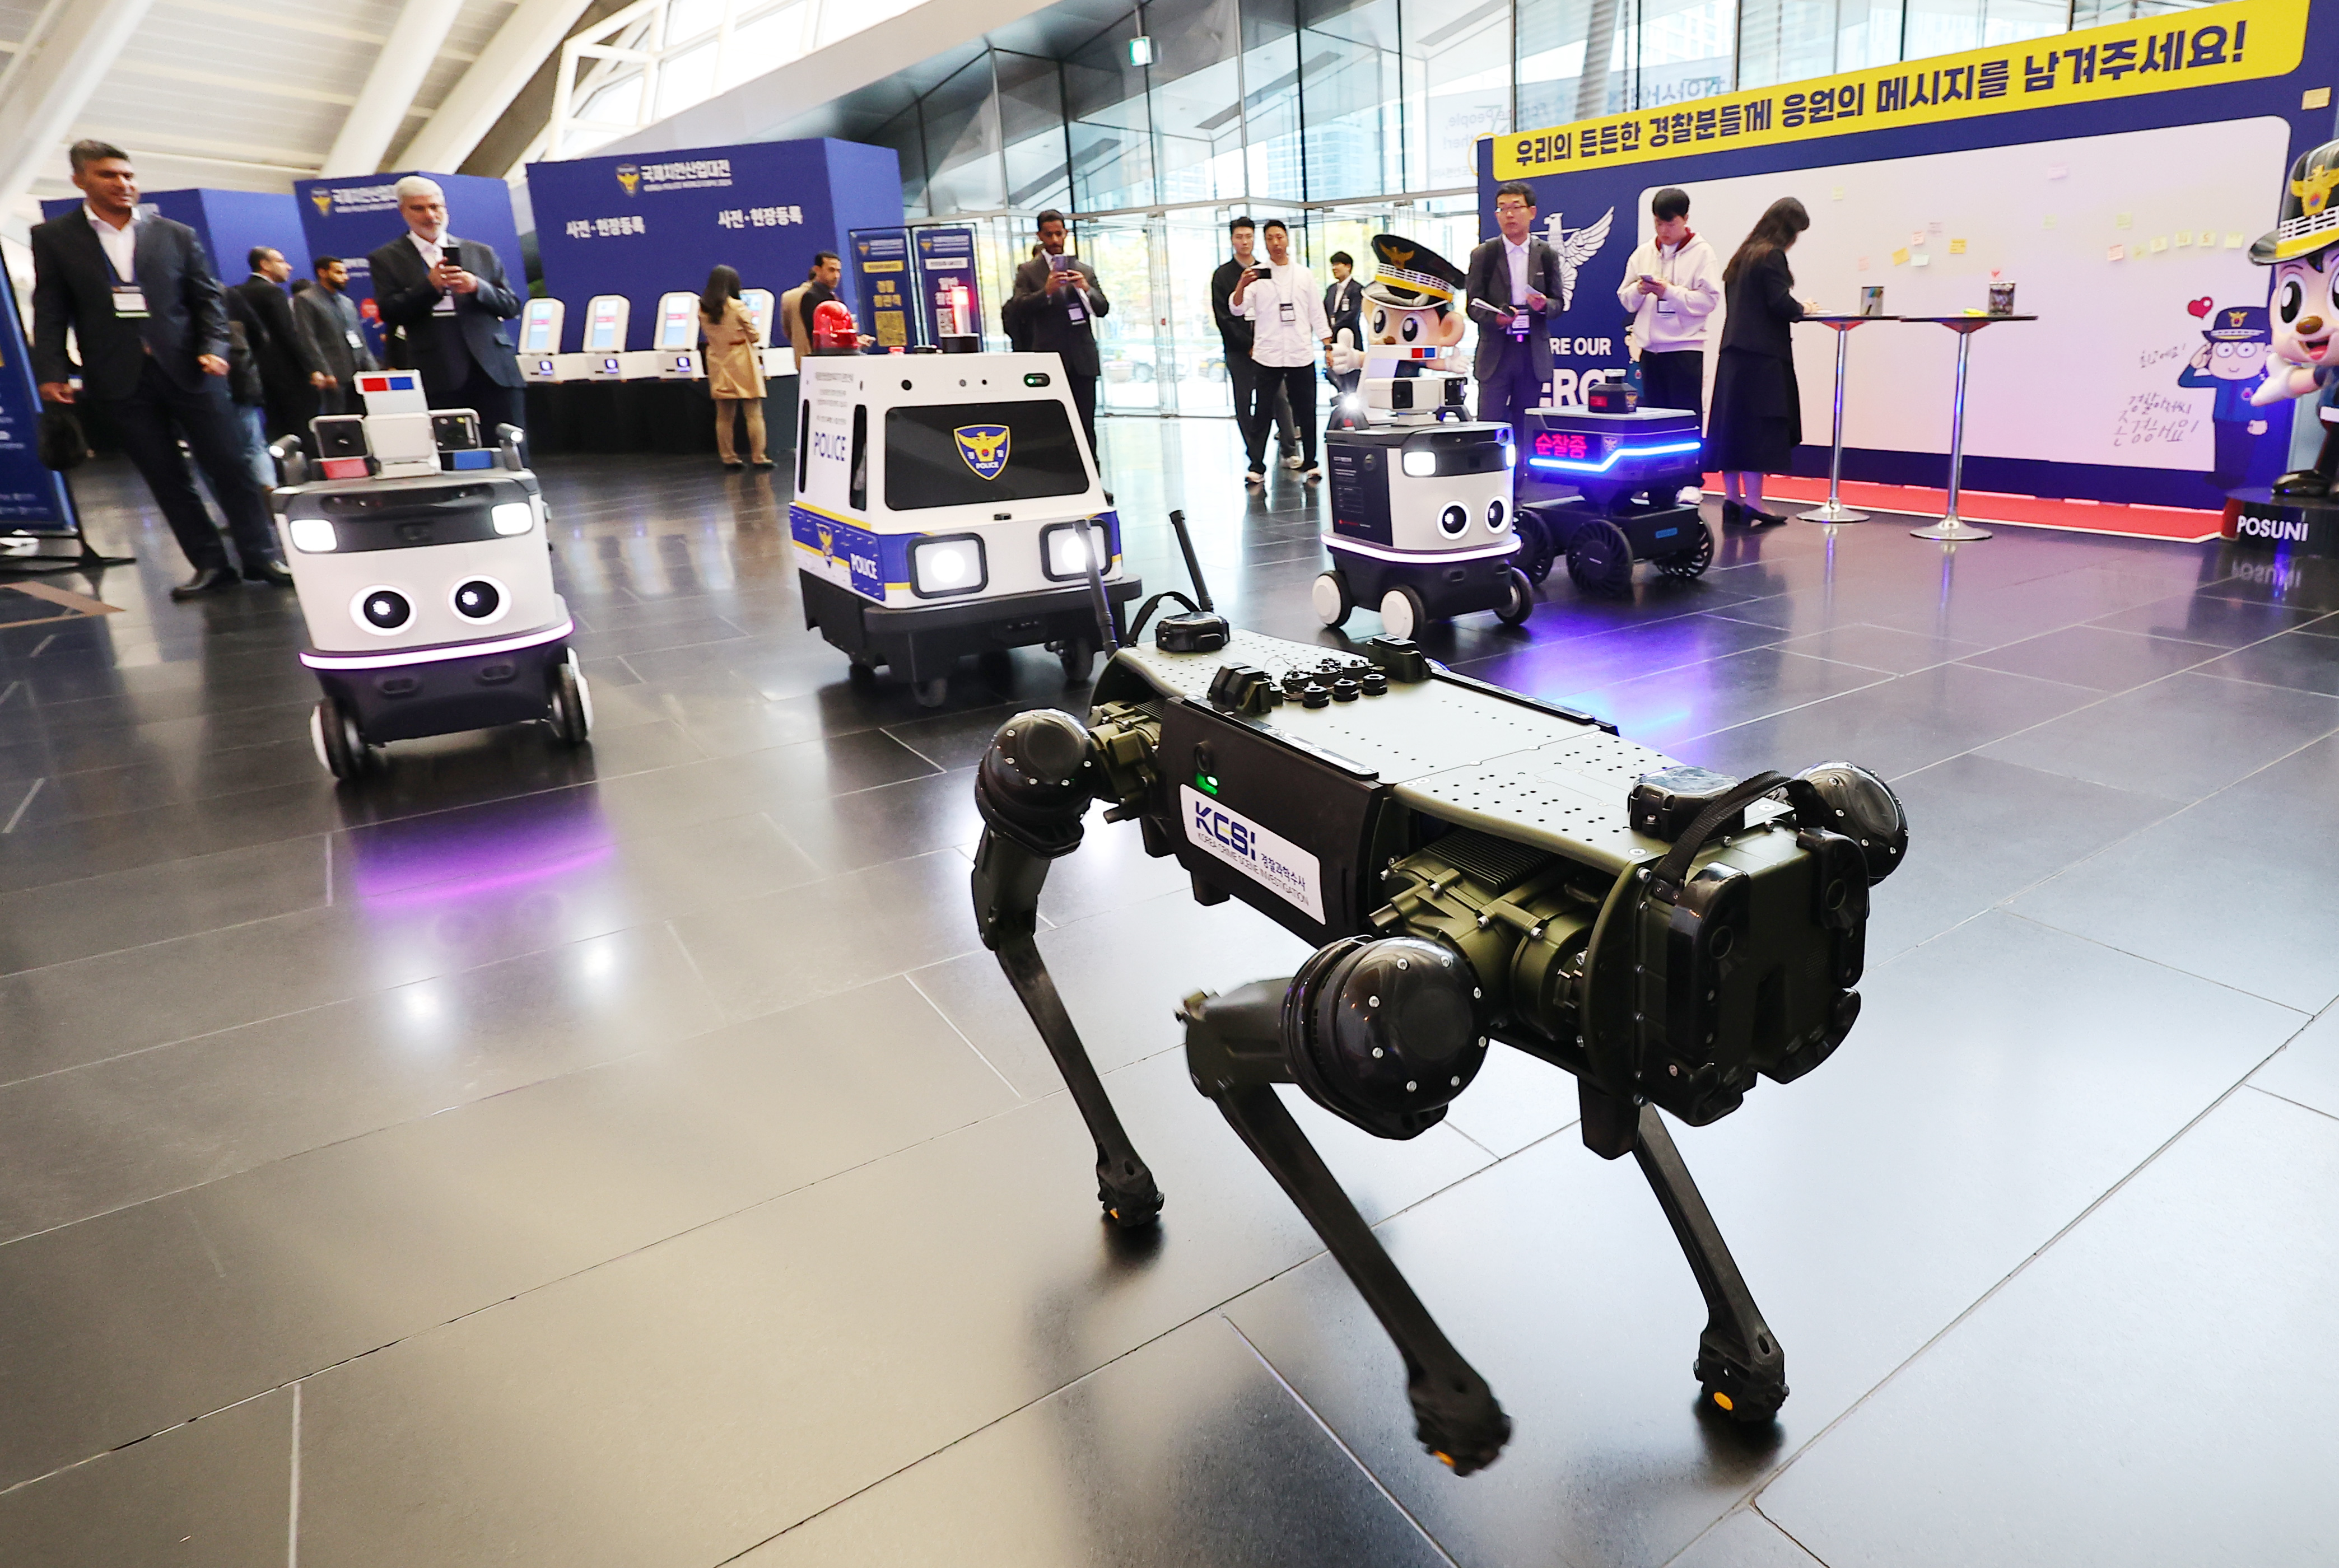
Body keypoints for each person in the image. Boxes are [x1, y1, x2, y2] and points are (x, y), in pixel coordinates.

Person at [30, 139, 288, 597]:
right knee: (165, 476)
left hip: (192, 368)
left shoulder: (175, 233)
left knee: (232, 466)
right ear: (80, 180)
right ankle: (210, 565)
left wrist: (215, 348)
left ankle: (262, 557)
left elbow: (208, 301)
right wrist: (51, 371)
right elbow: (51, 308)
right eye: (109, 175)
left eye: (128, 175)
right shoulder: (54, 238)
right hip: (117, 375)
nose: (123, 184)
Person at [366, 175, 526, 441]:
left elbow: (511, 306)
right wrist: (430, 287)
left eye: (435, 207)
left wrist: (477, 287)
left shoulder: (481, 252)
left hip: (494, 368)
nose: (430, 216)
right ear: (403, 211)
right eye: (419, 208)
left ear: (445, 208)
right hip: (438, 369)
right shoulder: (386, 258)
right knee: (453, 448)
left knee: (510, 446)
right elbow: (390, 312)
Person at [1707, 197, 1814, 527]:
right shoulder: (1772, 256)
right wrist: (1805, 308)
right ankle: (1754, 501)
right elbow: (1779, 303)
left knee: (1732, 428)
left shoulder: (1742, 256)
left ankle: (1732, 499)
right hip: (1763, 357)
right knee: (1757, 430)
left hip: (1733, 354)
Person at [1231, 218, 1329, 483]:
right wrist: (1241, 285)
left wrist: (1328, 344)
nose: (1276, 243)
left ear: (1287, 239)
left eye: (1280, 237)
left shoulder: (1304, 274)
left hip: (1300, 352)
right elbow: (1237, 309)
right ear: (1265, 242)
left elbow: (1317, 312)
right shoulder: (1256, 274)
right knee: (1262, 412)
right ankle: (1256, 466)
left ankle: (1311, 462)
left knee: (1306, 410)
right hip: (1268, 354)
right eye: (1270, 238)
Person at [1003, 209, 1108, 456]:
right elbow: (1018, 308)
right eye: (1049, 235)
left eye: (1059, 234)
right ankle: (1059, 474)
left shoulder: (1084, 270)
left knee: (1086, 424)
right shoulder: (1028, 271)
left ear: (1066, 233)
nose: (1055, 240)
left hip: (1082, 359)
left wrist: (1085, 289)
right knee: (1052, 424)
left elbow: (1102, 309)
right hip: (1049, 357)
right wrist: (1046, 292)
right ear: (1040, 235)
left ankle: (1091, 473)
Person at [1617, 187, 1722, 425]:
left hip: (1685, 352)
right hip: (1650, 353)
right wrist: (1639, 290)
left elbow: (1709, 301)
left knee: (1685, 422)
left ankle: (1691, 453)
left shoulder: (1702, 253)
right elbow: (1625, 299)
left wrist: (1669, 292)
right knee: (1652, 423)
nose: (1664, 231)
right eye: (1658, 223)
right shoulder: (1644, 253)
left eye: (1671, 224)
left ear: (1686, 219)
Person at [1465, 181, 1564, 431]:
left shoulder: (1546, 254)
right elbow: (1473, 306)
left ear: (1532, 212)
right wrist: (1496, 319)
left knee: (1527, 426)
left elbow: (1559, 304)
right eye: (1502, 208)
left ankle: (1525, 461)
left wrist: (1543, 305)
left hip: (1531, 352)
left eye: (1516, 207)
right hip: (1496, 353)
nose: (1509, 214)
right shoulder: (1484, 255)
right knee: (1489, 426)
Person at [1211, 218, 1299, 474]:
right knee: (1244, 402)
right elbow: (1224, 317)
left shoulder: (1266, 270)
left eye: (1249, 236)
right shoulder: (1223, 275)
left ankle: (1290, 450)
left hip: (1269, 348)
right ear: (1232, 240)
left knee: (1280, 398)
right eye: (1239, 237)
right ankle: (1255, 455)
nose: (1245, 242)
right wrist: (1247, 345)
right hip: (1239, 351)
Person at [233, 246, 329, 442]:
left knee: (275, 427)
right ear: (265, 265)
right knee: (301, 428)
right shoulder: (272, 292)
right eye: (281, 262)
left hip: (257, 373)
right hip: (287, 374)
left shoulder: (237, 292)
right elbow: (288, 334)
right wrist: (311, 369)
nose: (289, 267)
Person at [700, 264, 771, 470]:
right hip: (741, 360)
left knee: (724, 415)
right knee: (753, 411)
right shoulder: (737, 306)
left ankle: (729, 457)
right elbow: (754, 335)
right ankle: (759, 457)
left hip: (717, 360)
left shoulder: (703, 308)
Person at [295, 255, 378, 416]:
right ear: (322, 273)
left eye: (345, 273)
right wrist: (325, 371)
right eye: (339, 273)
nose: (345, 277)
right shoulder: (306, 299)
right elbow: (308, 339)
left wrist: (373, 371)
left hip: (359, 374)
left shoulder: (347, 302)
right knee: (337, 421)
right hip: (334, 376)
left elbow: (360, 339)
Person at [1323, 250, 1362, 396]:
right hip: (1333, 340)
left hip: (1350, 339)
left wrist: (1335, 327)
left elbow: (1353, 314)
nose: (1334, 268)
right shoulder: (1331, 289)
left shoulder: (1357, 289)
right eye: (1333, 265)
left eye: (1338, 264)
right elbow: (1324, 311)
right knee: (1333, 373)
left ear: (1348, 267)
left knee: (1351, 377)